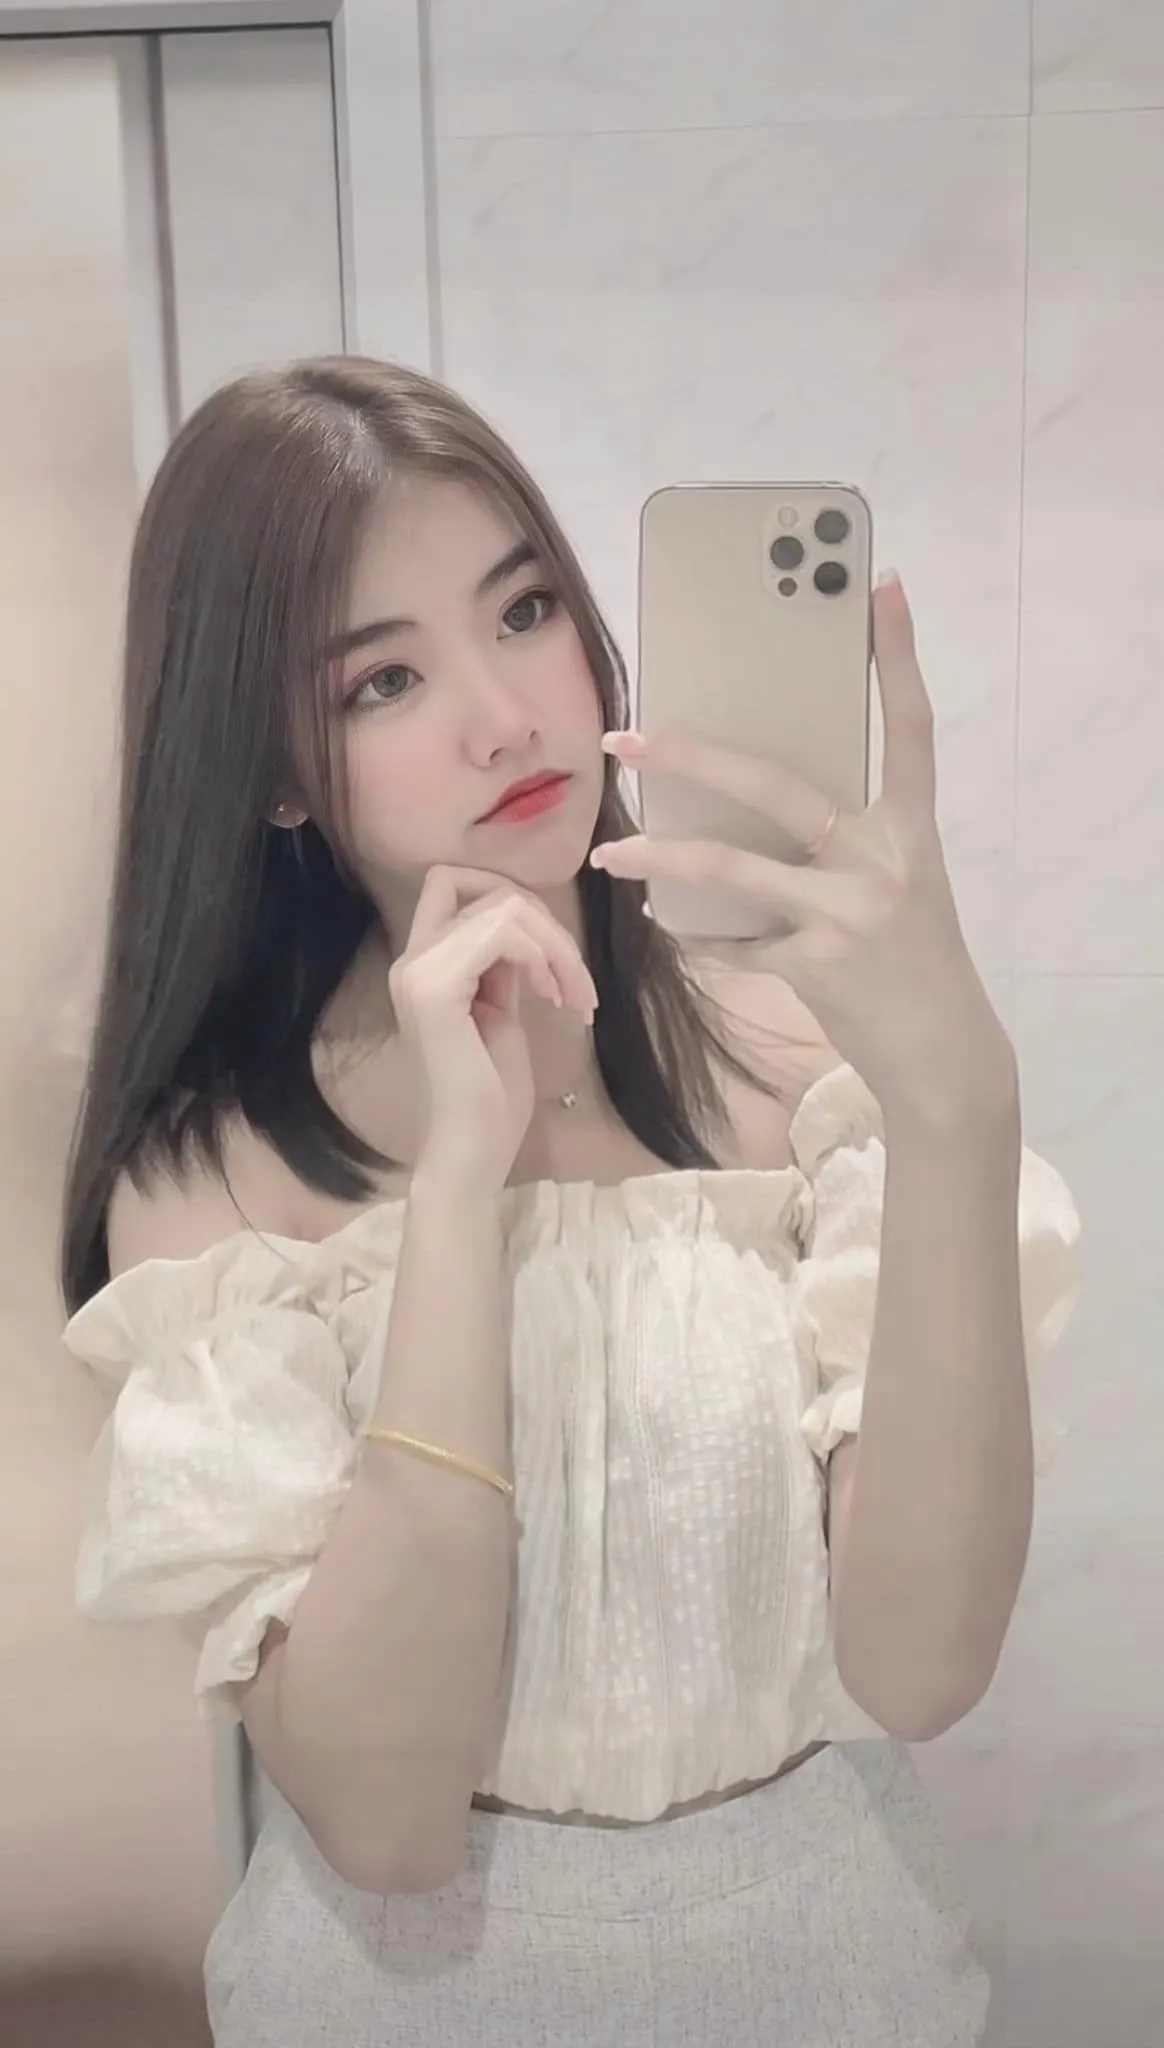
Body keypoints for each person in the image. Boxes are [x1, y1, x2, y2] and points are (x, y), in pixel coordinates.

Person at [59, 356, 1081, 2047]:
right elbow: (388, 1821)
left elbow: (921, 1667)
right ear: (276, 767)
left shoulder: (808, 1076)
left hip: (834, 1975)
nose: (504, 716)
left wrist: (958, 1098)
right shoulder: (215, 1189)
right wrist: (460, 1182)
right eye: (385, 679)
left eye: (524, 610)